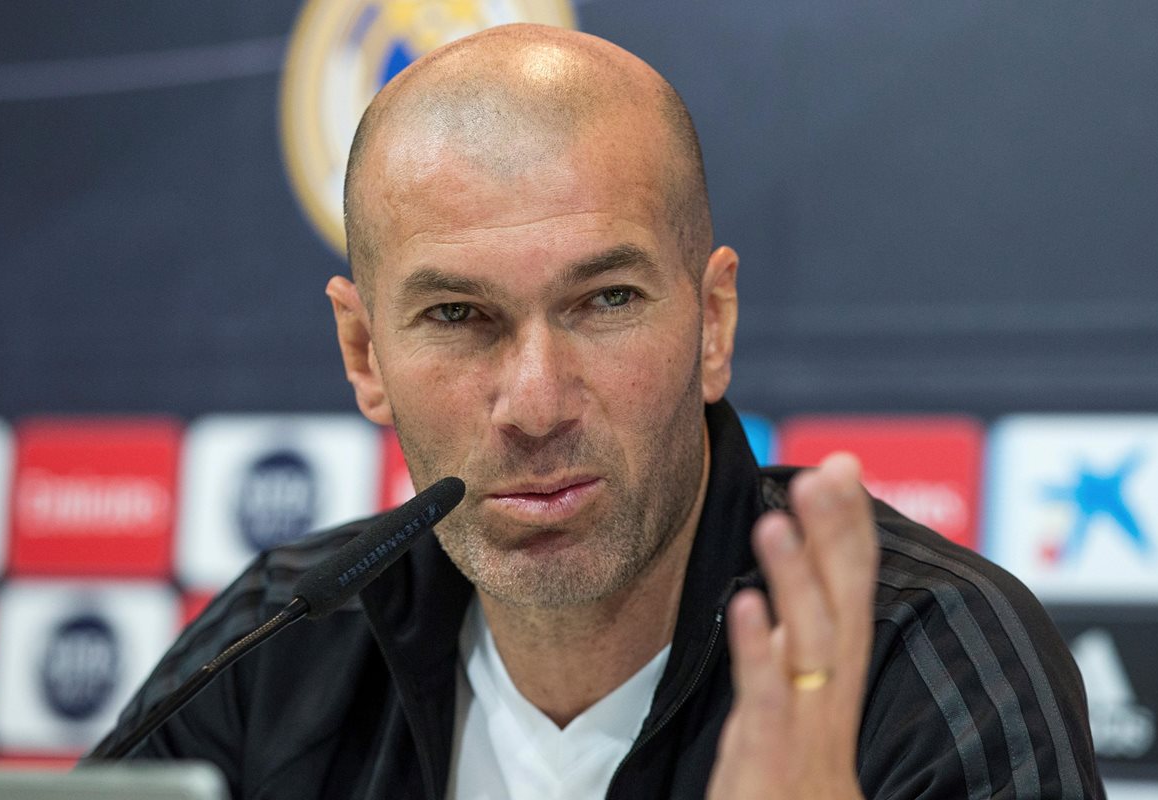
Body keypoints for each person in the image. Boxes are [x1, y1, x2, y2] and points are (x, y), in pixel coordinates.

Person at [95, 23, 1104, 799]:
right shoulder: (278, 645)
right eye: (459, 314)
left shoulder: (929, 665)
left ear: (712, 324)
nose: (534, 402)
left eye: (605, 301)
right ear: (365, 353)